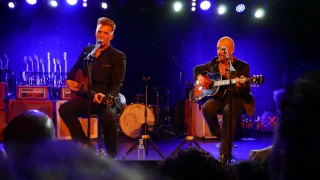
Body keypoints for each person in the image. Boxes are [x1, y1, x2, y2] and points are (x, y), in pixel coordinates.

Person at [58, 17, 127, 159]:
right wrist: (70, 80)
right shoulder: (87, 51)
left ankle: (112, 157)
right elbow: (76, 69)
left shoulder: (118, 56)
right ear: (95, 32)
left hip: (107, 99)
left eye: (105, 33)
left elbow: (117, 84)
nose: (101, 36)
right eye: (99, 32)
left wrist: (107, 97)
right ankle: (85, 144)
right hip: (87, 96)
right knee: (64, 109)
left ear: (111, 36)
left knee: (108, 117)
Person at [193, 36, 255, 166]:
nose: (219, 52)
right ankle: (223, 138)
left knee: (228, 111)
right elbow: (197, 69)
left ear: (232, 50)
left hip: (237, 99)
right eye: (217, 49)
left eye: (223, 49)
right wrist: (200, 77)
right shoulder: (214, 63)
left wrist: (241, 85)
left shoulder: (243, 67)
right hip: (220, 98)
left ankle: (223, 155)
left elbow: (246, 92)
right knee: (206, 108)